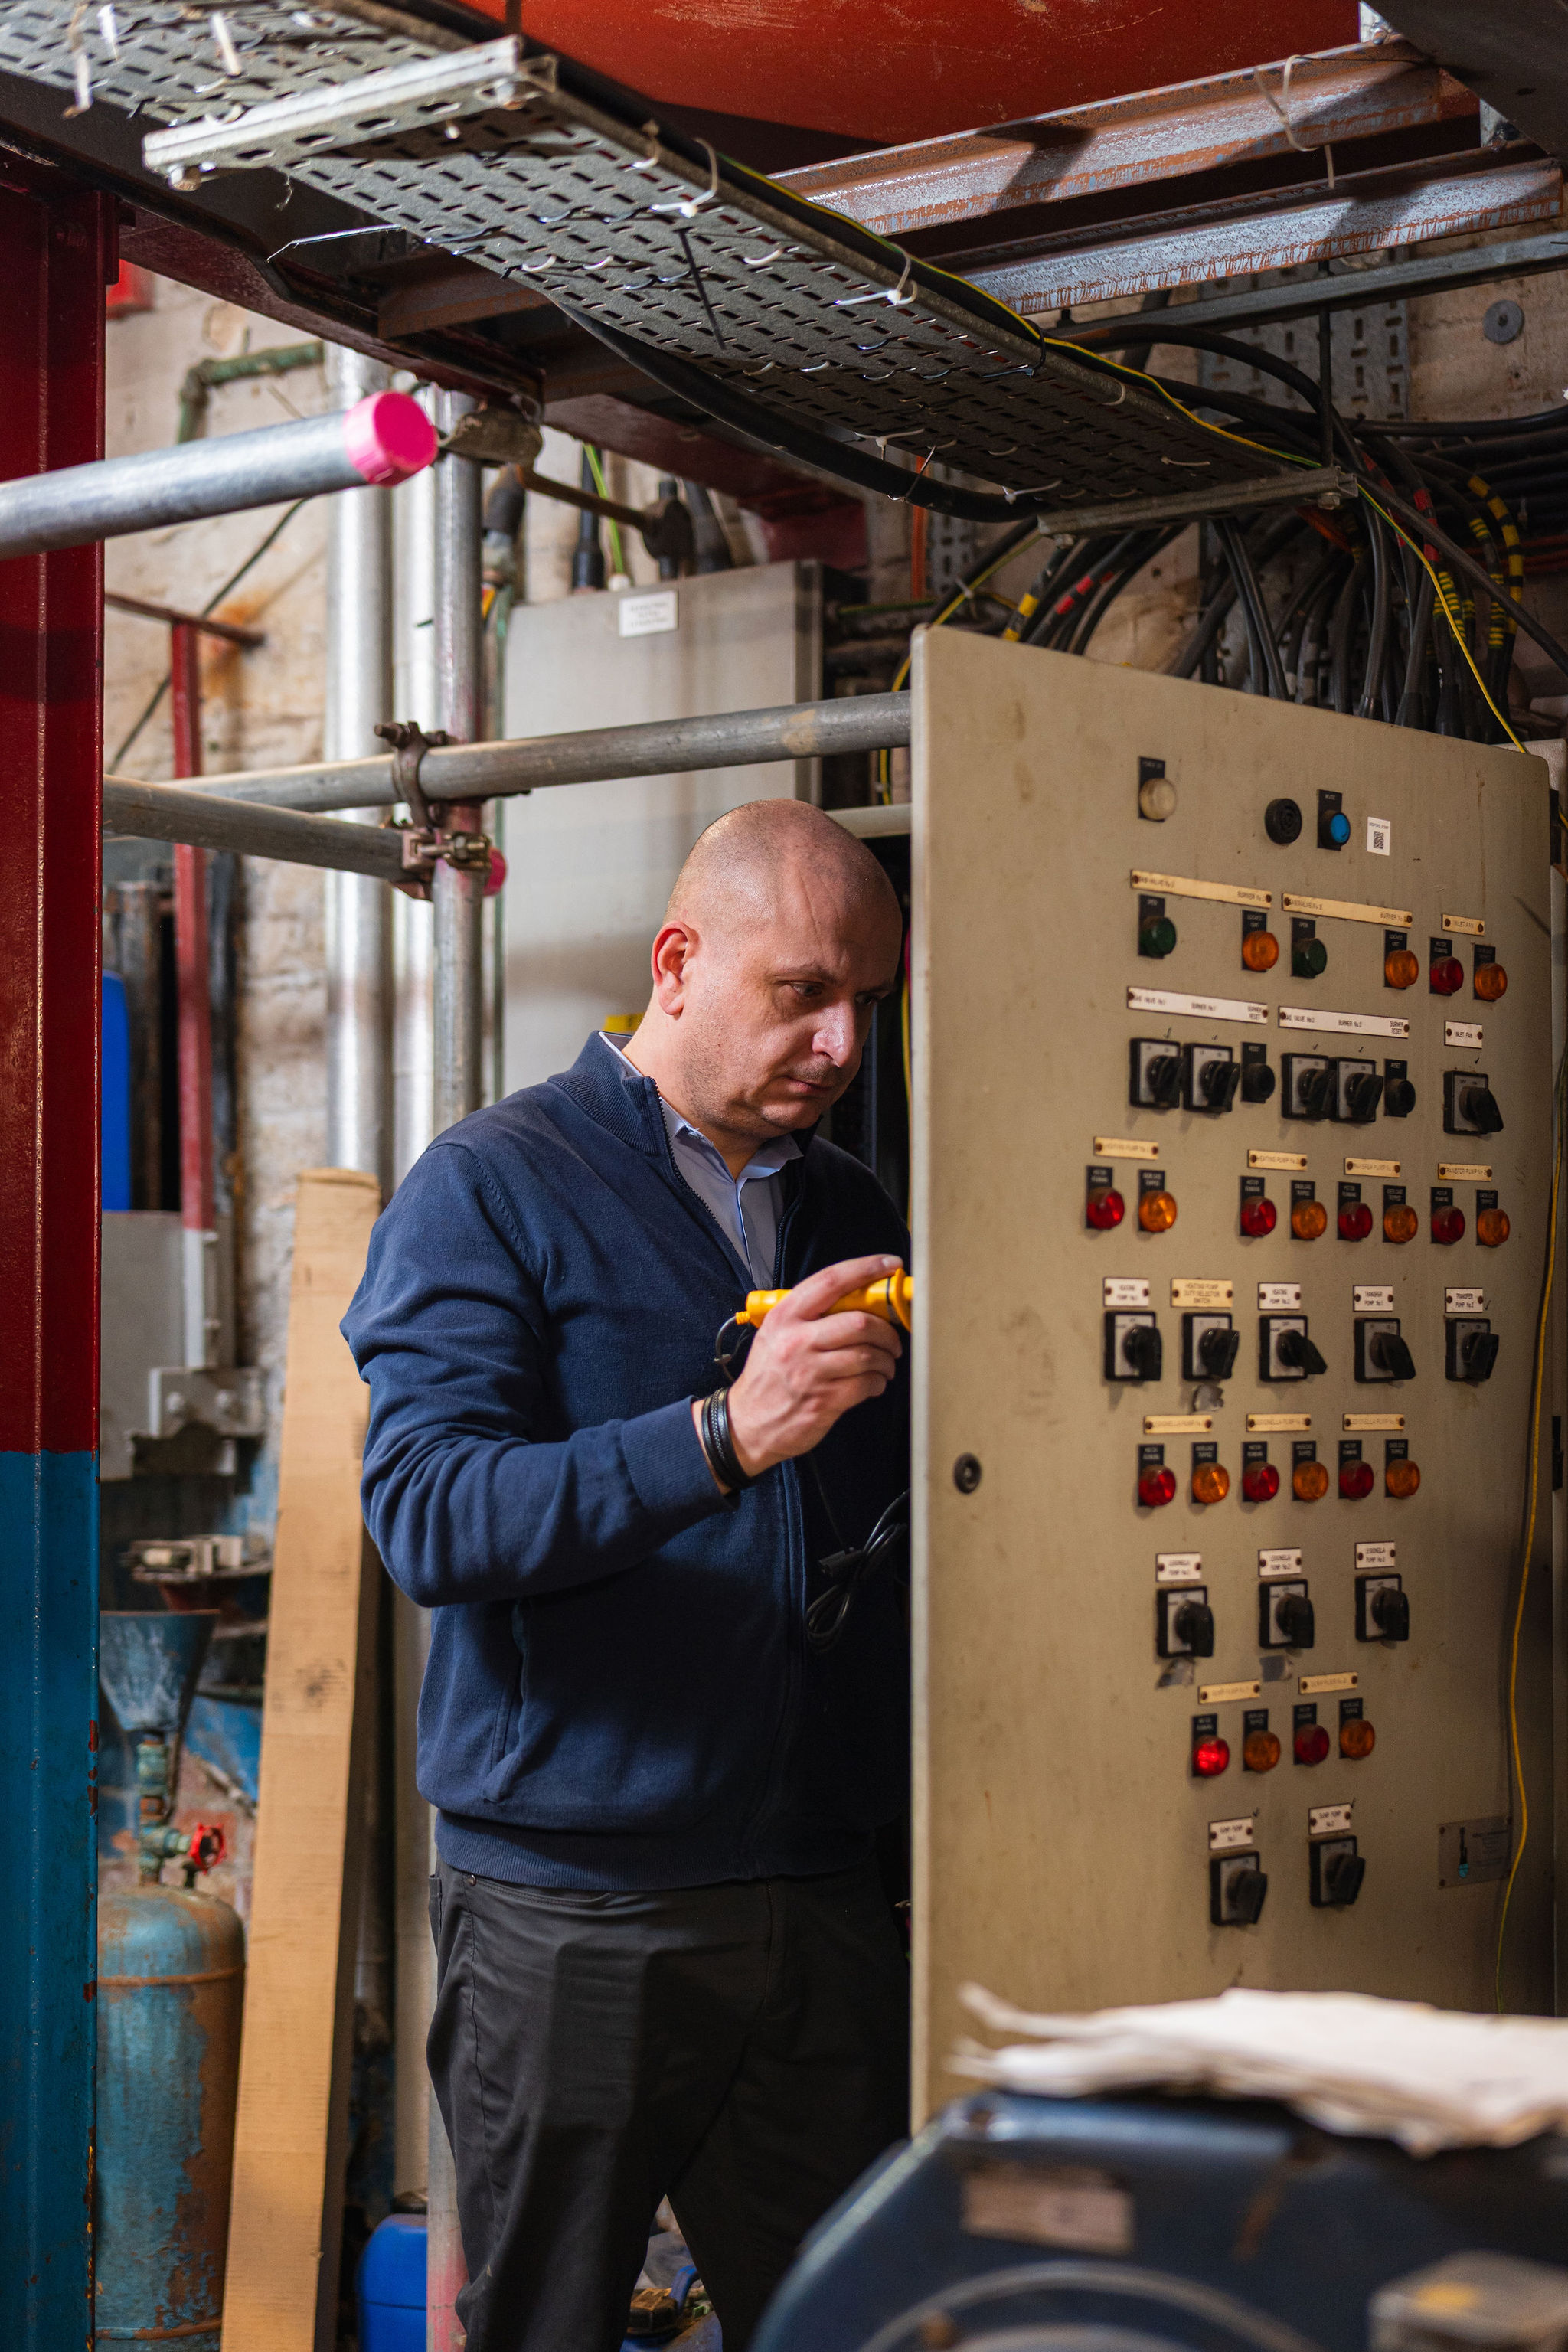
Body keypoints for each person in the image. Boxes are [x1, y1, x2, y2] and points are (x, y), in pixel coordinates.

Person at [344, 797, 913, 2352]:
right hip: (573, 1914)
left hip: (815, 1889)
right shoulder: (494, 1183)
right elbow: (432, 1515)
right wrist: (722, 1434)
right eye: (804, 991)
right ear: (677, 963)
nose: (843, 1042)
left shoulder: (846, 1206)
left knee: (850, 2322)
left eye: (869, 1000)